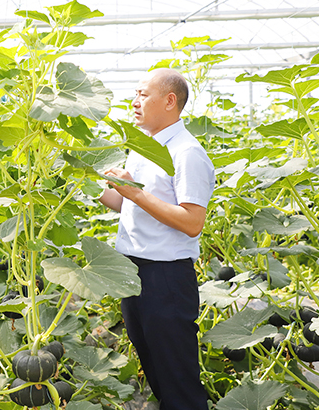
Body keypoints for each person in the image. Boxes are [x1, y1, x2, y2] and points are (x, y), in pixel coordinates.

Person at [99, 68, 215, 410]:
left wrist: (134, 192)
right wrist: (89, 184)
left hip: (166, 278)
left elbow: (192, 222)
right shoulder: (143, 147)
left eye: (143, 95)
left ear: (169, 101)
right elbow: (125, 204)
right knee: (157, 371)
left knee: (178, 380)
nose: (135, 102)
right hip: (133, 272)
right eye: (134, 94)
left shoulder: (187, 152)